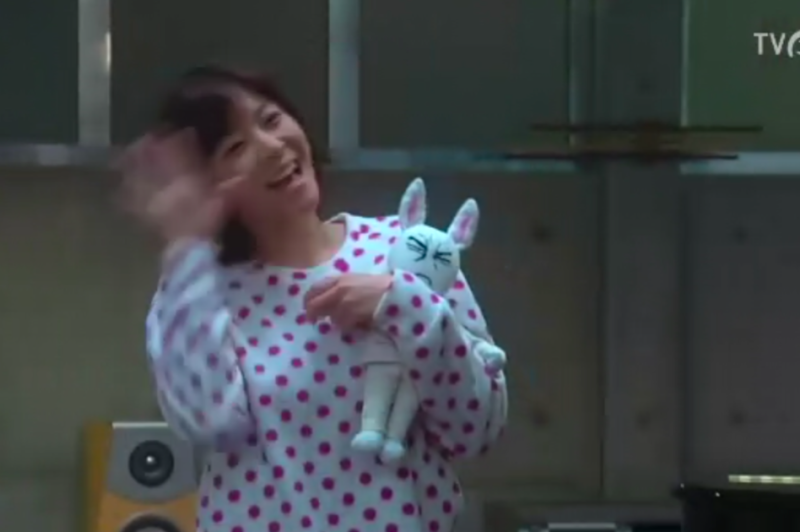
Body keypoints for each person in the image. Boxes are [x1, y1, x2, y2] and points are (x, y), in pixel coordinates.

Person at [120, 65, 509, 532]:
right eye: (236, 148)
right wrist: (185, 250)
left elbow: (475, 430)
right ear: (207, 187)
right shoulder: (199, 295)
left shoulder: (410, 250)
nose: (272, 147)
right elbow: (208, 423)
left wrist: (406, 306)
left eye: (270, 119)